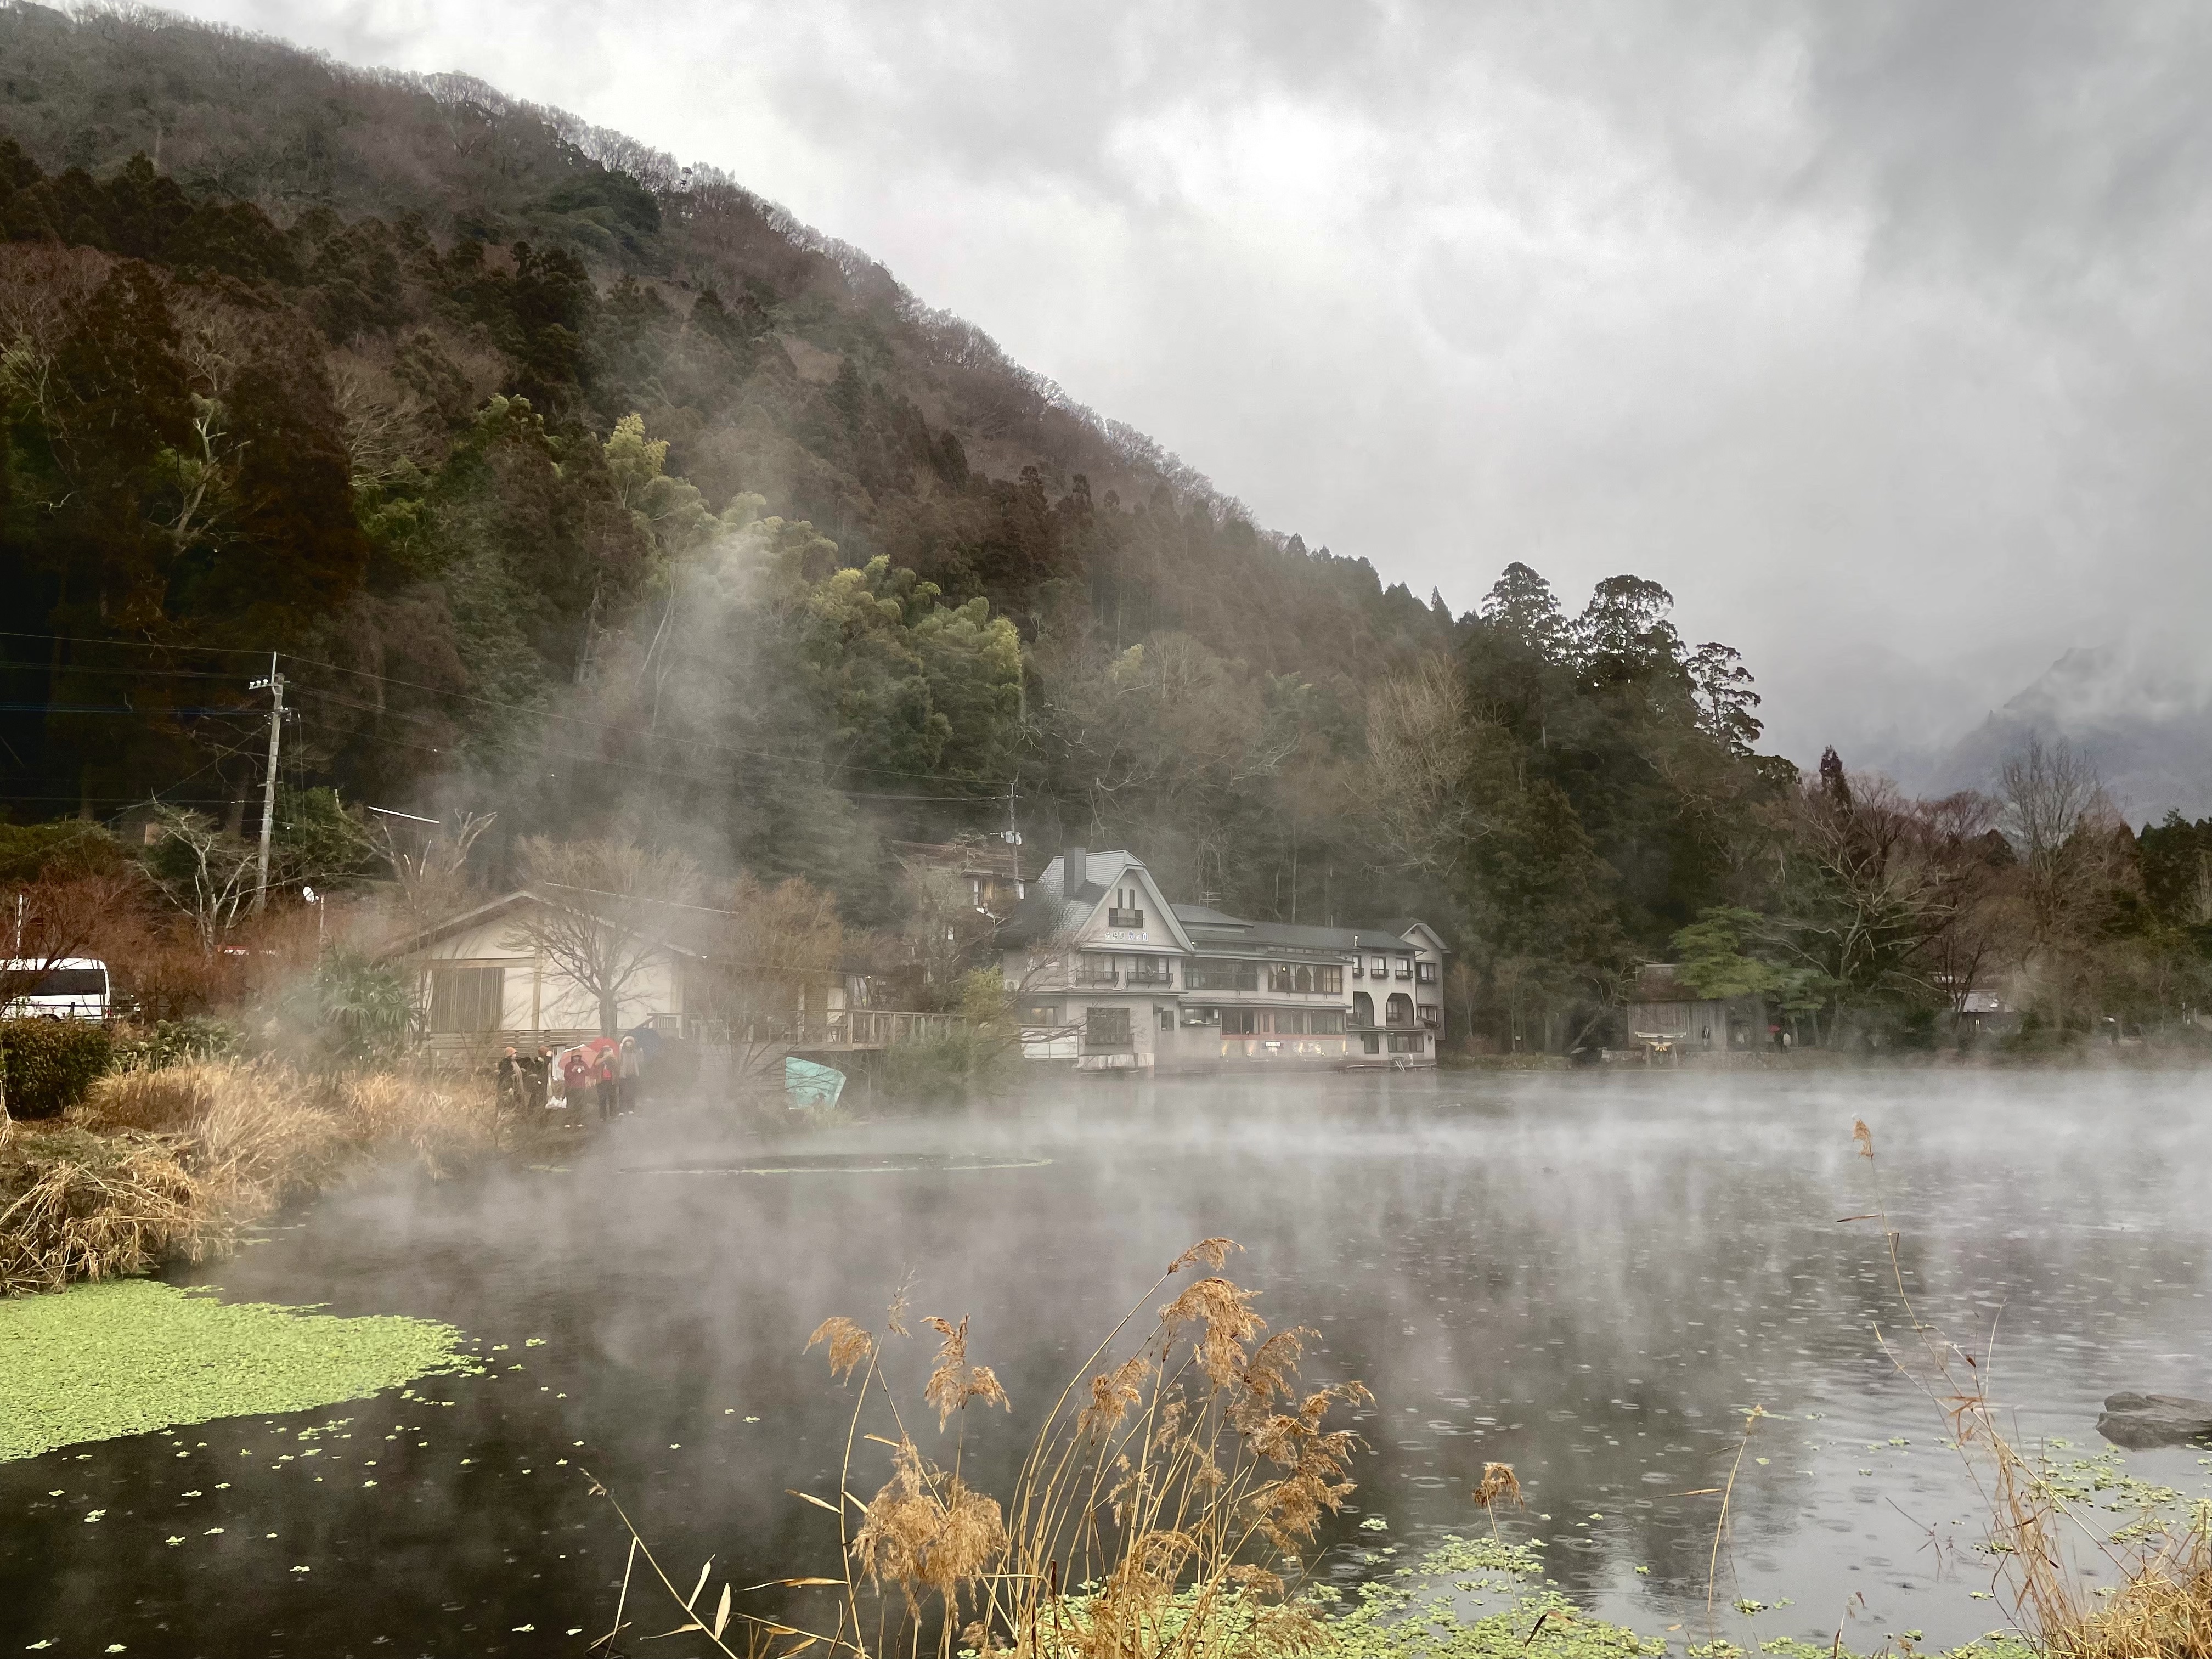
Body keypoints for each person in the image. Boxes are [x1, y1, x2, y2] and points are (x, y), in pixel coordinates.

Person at [561, 1047, 590, 1115]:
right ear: (572, 1057)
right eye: (575, 1057)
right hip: (571, 1087)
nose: (576, 1058)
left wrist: (584, 1070)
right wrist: (572, 1071)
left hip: (581, 1087)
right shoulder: (569, 1065)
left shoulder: (583, 1064)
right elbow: (566, 1076)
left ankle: (578, 1119)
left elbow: (589, 1073)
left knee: (580, 1104)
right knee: (571, 1104)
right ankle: (569, 1119)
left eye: (578, 1056)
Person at [617, 1034, 641, 1113]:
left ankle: (631, 1108)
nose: (629, 1044)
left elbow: (640, 1062)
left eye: (630, 1042)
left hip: (632, 1075)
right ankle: (622, 1110)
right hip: (623, 1075)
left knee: (631, 1092)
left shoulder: (635, 1053)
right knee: (622, 1092)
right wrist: (620, 1049)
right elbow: (619, 1061)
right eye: (627, 1042)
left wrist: (641, 1053)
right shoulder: (622, 1053)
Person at [496, 1045, 525, 1111]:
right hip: (509, 1086)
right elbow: (505, 1075)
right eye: (514, 1054)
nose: (515, 1055)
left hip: (516, 1085)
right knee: (509, 1101)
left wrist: (520, 1070)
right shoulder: (506, 1062)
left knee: (517, 1100)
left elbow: (514, 1070)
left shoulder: (513, 1062)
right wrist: (510, 1086)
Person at [594, 1047, 617, 1121]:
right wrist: (605, 1058)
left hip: (611, 1081)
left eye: (609, 1051)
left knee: (613, 1099)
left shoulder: (612, 1059)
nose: (608, 1052)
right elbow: (596, 1064)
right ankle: (603, 1116)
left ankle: (613, 1115)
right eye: (606, 1051)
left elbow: (617, 1065)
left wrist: (612, 1057)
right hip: (601, 1082)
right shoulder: (600, 1058)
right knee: (602, 1099)